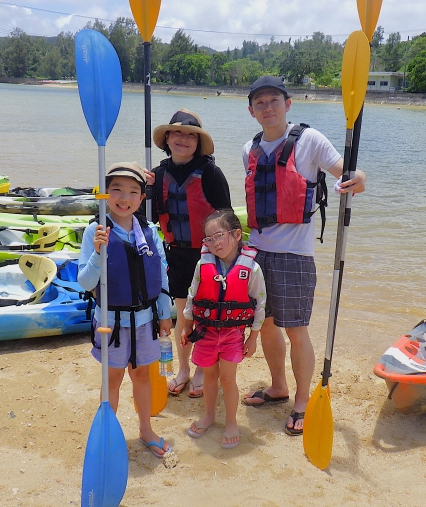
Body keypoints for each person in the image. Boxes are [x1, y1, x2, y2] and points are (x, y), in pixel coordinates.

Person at [241, 76, 367, 435]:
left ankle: (301, 400)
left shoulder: (308, 140)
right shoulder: (247, 149)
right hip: (256, 254)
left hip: (295, 255)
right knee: (264, 325)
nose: (268, 108)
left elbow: (348, 171)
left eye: (274, 101)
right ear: (252, 111)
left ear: (287, 104)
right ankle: (278, 386)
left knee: (296, 330)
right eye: (260, 103)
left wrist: (360, 178)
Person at [77, 162, 173, 458]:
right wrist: (96, 253)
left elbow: (162, 275)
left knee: (142, 376)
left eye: (133, 191)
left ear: (142, 199)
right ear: (105, 194)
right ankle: (108, 435)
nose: (124, 197)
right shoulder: (96, 230)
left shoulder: (148, 230)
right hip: (112, 323)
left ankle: (145, 430)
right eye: (116, 189)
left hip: (145, 321)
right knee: (113, 379)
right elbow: (85, 280)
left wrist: (165, 314)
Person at [147, 109, 232, 399]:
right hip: (178, 255)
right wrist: (144, 188)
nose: (183, 139)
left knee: (206, 315)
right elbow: (147, 217)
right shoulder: (157, 176)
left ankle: (201, 369)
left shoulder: (210, 173)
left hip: (209, 256)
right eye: (177, 133)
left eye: (191, 136)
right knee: (184, 316)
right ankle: (183, 368)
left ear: (198, 142)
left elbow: (227, 217)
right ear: (167, 138)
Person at [181, 210, 265, 448]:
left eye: (219, 235)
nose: (214, 242)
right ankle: (208, 415)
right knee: (209, 376)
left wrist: (253, 337)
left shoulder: (252, 269)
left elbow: (260, 304)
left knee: (228, 379)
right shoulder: (202, 265)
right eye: (208, 238)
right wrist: (187, 325)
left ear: (237, 234)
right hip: (205, 331)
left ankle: (230, 421)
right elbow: (191, 295)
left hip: (233, 334)